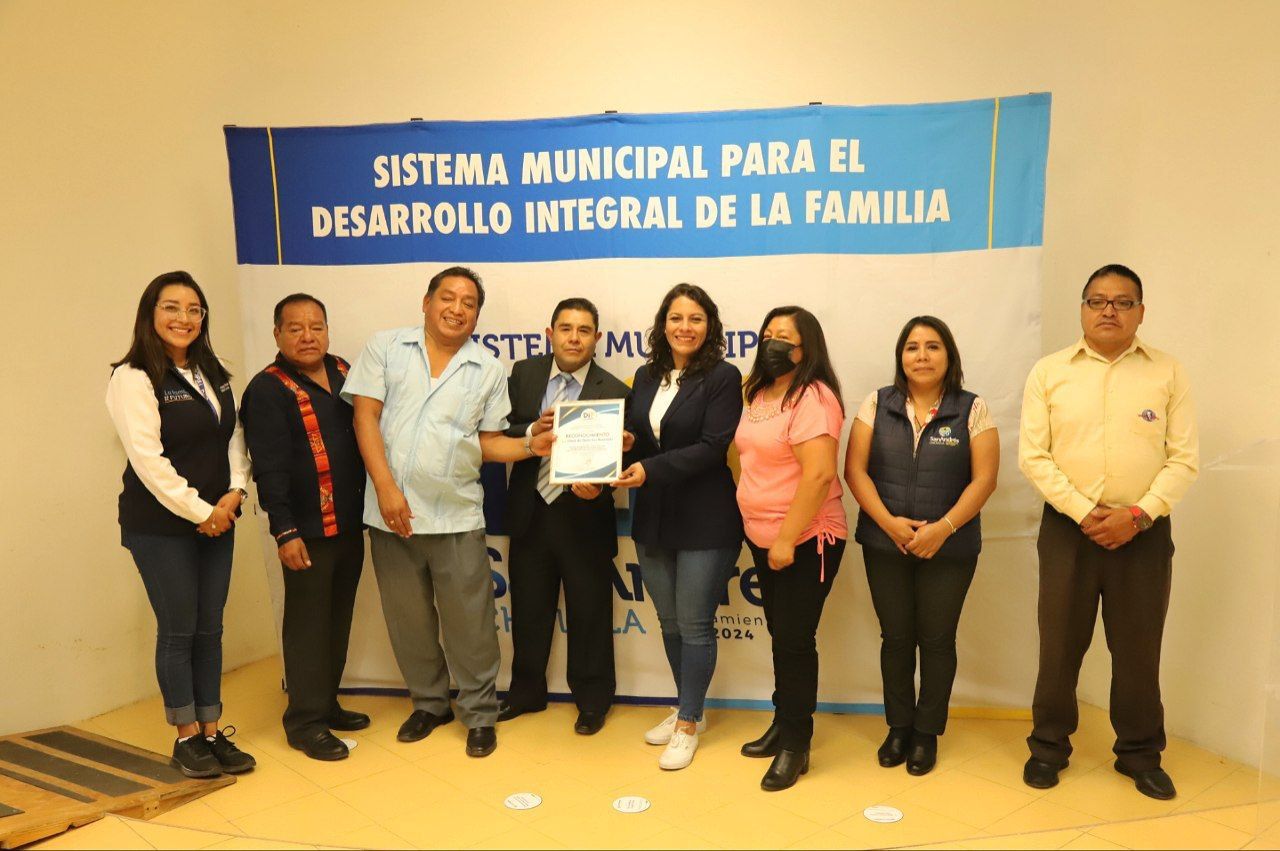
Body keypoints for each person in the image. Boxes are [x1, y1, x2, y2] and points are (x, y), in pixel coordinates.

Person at [342, 266, 553, 758]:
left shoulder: (488, 369)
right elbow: (364, 417)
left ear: (477, 315)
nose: (457, 309)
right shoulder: (386, 347)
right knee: (408, 621)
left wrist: (531, 445)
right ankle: (430, 704)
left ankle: (479, 713)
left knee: (471, 624)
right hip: (390, 514)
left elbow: (489, 443)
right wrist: (386, 488)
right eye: (448, 298)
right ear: (426, 301)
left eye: (469, 303)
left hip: (456, 514)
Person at [1019, 264, 1198, 799]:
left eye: (1122, 302)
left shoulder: (1167, 372)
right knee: (1059, 646)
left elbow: (1183, 460)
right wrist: (1083, 512)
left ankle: (1140, 754)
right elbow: (1034, 456)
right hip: (1068, 530)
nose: (1109, 311)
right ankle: (1048, 748)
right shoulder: (1049, 372)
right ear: (1082, 309)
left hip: (1143, 532)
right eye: (1097, 301)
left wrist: (1137, 516)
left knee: (1138, 649)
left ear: (1140, 312)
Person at [106, 270, 256, 778]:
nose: (183, 318)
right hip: (161, 527)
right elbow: (148, 461)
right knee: (179, 630)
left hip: (219, 518)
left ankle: (212, 731)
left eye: (194, 309)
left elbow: (233, 437)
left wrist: (236, 492)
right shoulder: (133, 377)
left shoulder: (212, 372)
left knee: (210, 629)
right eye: (171, 307)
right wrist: (203, 511)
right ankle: (186, 738)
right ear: (150, 314)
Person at [844, 315, 999, 776]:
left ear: (949, 356)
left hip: (949, 548)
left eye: (933, 347)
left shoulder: (972, 408)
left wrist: (943, 528)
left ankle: (927, 732)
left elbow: (985, 479)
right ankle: (898, 727)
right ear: (901, 357)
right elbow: (855, 471)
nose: (922, 356)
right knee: (895, 638)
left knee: (936, 639)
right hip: (885, 543)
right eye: (912, 347)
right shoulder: (877, 403)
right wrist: (889, 524)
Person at [615, 283, 744, 770]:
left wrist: (648, 468)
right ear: (662, 324)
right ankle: (690, 707)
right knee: (669, 621)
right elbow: (642, 436)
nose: (684, 327)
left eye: (695, 318)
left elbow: (713, 446)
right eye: (676, 318)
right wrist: (626, 443)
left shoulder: (723, 377)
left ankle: (688, 722)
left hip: (705, 516)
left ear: (709, 326)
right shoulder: (646, 375)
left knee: (694, 623)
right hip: (653, 515)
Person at [240, 294, 368, 761]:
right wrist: (285, 531)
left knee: (337, 619)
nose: (307, 336)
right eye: (295, 328)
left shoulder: (344, 371)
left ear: (328, 331)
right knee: (307, 626)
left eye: (316, 326)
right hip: (307, 531)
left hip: (350, 523)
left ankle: (326, 703)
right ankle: (304, 722)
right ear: (277, 334)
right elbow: (269, 468)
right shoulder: (266, 389)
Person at [498, 297, 630, 735]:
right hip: (530, 511)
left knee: (590, 613)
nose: (574, 338)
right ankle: (525, 693)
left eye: (584, 330)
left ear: (597, 338)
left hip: (585, 515)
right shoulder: (524, 374)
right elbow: (501, 428)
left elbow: (621, 459)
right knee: (528, 610)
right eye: (566, 328)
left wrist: (602, 486)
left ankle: (592, 701)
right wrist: (531, 429)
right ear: (550, 333)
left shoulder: (616, 390)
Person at [734, 306, 847, 791]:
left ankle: (796, 745)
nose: (773, 344)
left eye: (785, 337)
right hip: (763, 536)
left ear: (806, 349)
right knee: (781, 635)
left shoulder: (813, 397)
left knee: (796, 641)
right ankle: (783, 722)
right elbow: (746, 457)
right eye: (767, 336)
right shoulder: (757, 392)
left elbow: (819, 475)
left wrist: (784, 539)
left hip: (806, 538)